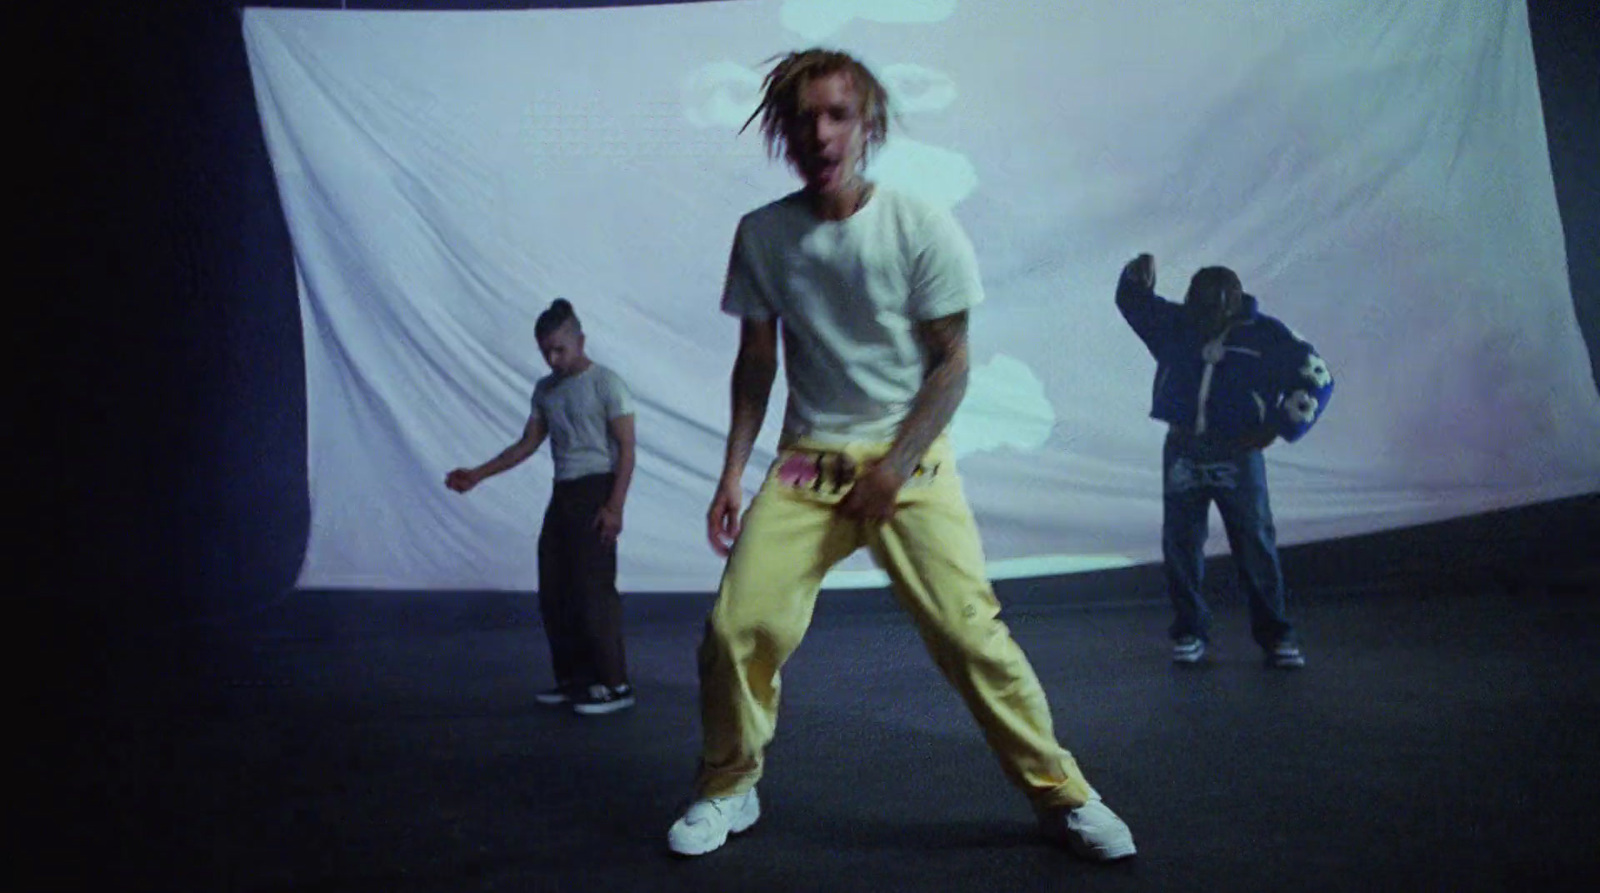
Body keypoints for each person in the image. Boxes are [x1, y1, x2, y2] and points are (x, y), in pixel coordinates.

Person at [665, 48, 1135, 862]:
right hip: (809, 462)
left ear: (867, 124)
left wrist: (893, 465)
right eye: (804, 117)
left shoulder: (920, 225)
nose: (821, 133)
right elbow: (755, 365)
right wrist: (732, 472)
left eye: (837, 114)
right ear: (783, 129)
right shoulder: (764, 235)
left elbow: (952, 365)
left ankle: (1063, 795)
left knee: (970, 635)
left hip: (908, 460)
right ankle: (727, 784)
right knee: (736, 628)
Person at [1114, 253, 1334, 668]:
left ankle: (1276, 635)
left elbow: (1317, 376)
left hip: (1238, 452)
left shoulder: (1266, 335)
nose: (1206, 317)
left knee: (1255, 545)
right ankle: (1190, 632)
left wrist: (1280, 428)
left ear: (1234, 302)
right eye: (1199, 306)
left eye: (1215, 308)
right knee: (1181, 546)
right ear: (1190, 301)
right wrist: (1133, 277)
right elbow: (1134, 304)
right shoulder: (1177, 324)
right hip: (1183, 450)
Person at [446, 298, 638, 715]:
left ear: (580, 340)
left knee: (594, 591)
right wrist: (478, 474)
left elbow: (627, 450)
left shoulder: (607, 383)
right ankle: (574, 680)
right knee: (555, 590)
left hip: (597, 489)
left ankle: (615, 685)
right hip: (563, 493)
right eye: (545, 351)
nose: (553, 358)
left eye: (560, 349)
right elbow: (527, 444)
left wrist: (615, 507)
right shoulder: (545, 390)